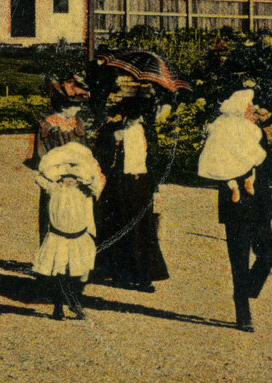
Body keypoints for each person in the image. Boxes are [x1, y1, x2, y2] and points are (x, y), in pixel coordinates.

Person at [203, 89, 272, 331]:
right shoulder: (223, 132)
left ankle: (245, 291)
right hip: (236, 206)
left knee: (268, 253)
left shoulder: (254, 133)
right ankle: (242, 311)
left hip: (259, 204)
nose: (252, 112)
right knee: (239, 258)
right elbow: (215, 163)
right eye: (249, 108)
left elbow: (270, 164)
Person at [93, 88, 169, 292]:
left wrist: (154, 184)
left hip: (141, 184)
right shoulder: (113, 130)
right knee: (119, 227)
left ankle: (143, 276)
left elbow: (154, 159)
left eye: (140, 115)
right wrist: (113, 141)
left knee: (142, 230)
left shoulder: (147, 131)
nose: (136, 119)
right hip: (120, 184)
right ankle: (119, 274)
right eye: (133, 115)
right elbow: (100, 154)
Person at [33, 141, 104, 321]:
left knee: (79, 274)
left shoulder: (85, 192)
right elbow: (39, 177)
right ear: (59, 178)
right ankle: (58, 307)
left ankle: (75, 302)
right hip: (59, 239)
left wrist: (85, 170)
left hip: (79, 238)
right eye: (65, 176)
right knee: (59, 273)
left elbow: (97, 183)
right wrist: (56, 167)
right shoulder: (54, 189)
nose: (69, 179)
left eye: (73, 176)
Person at [32, 75, 91, 240]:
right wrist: (58, 176)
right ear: (64, 105)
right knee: (54, 216)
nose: (78, 109)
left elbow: (85, 152)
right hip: (55, 179)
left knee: (76, 218)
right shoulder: (47, 125)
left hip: (76, 178)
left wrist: (79, 174)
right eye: (76, 106)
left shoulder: (77, 124)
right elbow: (41, 155)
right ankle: (52, 260)